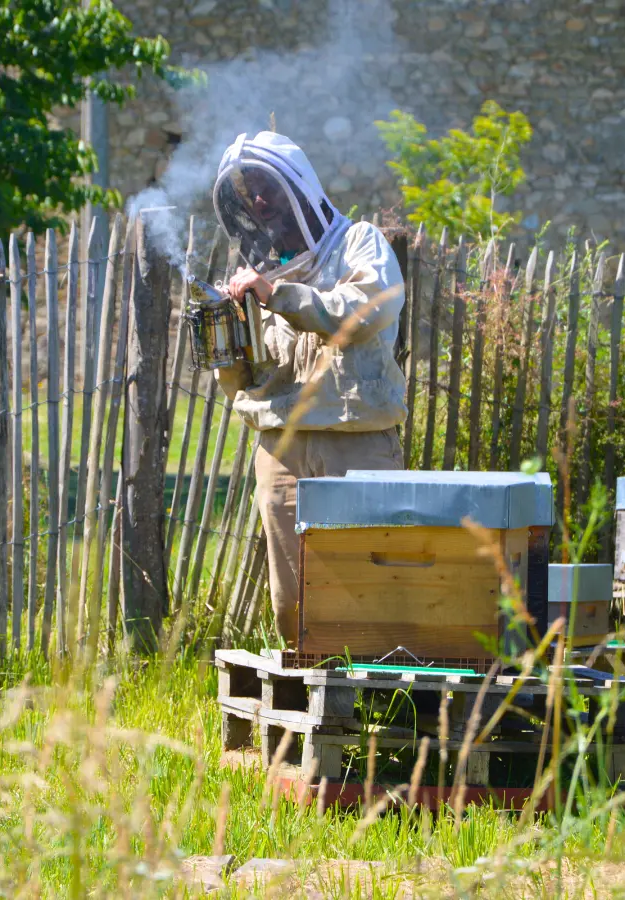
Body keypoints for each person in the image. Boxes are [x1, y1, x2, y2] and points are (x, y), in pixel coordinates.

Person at [209, 130, 406, 646]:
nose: (257, 201)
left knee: (367, 588)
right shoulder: (260, 275)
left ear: (298, 188)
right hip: (281, 450)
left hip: (355, 442)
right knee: (290, 602)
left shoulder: (360, 242)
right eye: (248, 191)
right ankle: (308, 714)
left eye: (265, 186)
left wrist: (279, 295)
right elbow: (247, 379)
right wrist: (229, 330)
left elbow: (366, 310)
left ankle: (377, 708)